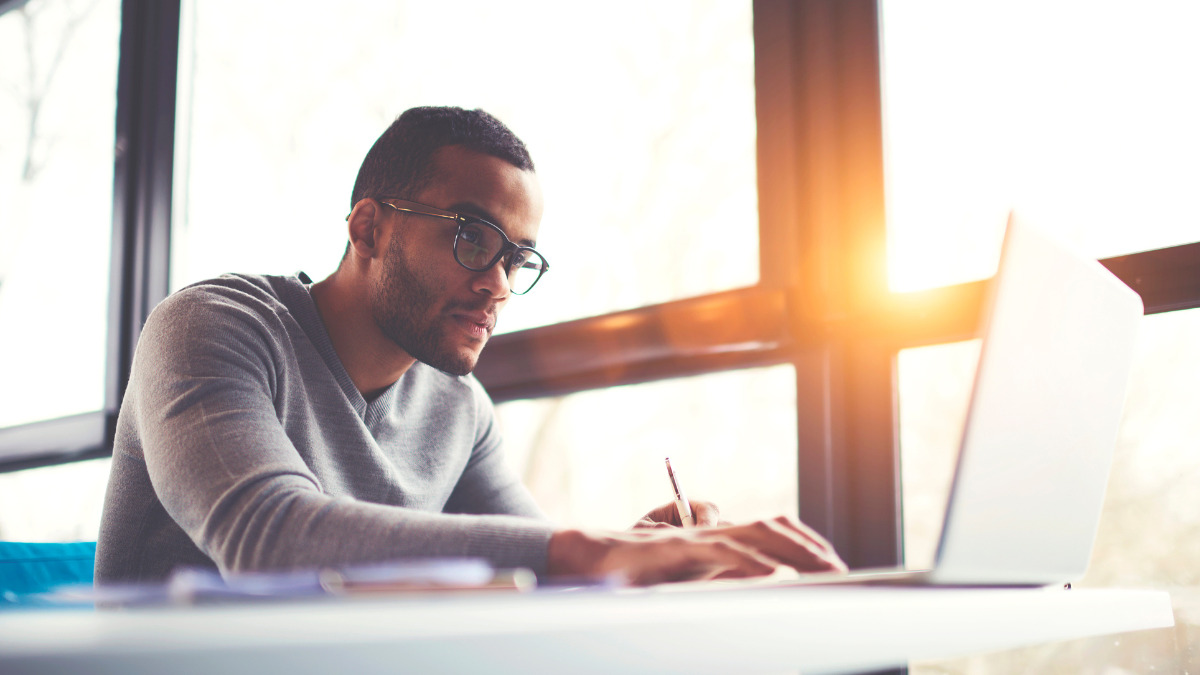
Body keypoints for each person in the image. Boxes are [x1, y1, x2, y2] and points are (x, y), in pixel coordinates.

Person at [95, 106, 846, 587]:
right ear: (367, 229)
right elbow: (267, 536)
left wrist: (635, 555)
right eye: (470, 238)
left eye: (516, 259)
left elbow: (530, 561)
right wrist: (586, 551)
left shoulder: (460, 409)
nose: (498, 285)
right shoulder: (213, 327)